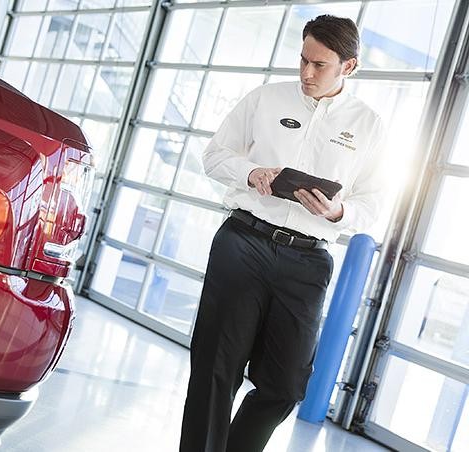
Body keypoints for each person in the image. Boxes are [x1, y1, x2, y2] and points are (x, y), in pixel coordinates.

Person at [179, 15, 385, 452]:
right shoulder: (265, 99)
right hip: (243, 243)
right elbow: (214, 157)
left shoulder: (368, 126)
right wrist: (251, 172)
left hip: (308, 260)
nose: (307, 73)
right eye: (303, 60)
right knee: (216, 370)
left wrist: (338, 211)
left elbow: (374, 203)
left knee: (286, 385)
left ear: (349, 67)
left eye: (321, 65)